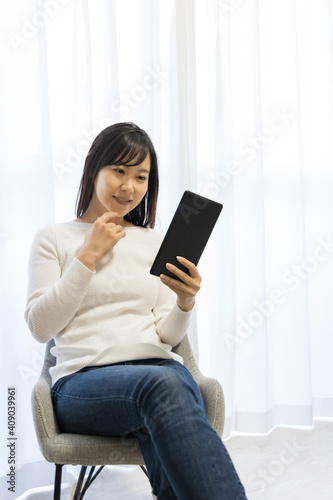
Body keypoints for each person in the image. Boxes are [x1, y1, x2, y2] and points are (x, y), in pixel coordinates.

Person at [25, 122, 247, 500]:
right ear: (93, 169)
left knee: (167, 386)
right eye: (119, 171)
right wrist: (88, 255)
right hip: (81, 383)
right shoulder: (55, 238)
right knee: (164, 385)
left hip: (160, 376)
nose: (129, 187)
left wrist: (185, 303)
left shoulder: (154, 243)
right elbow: (40, 326)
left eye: (141, 176)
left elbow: (166, 337)